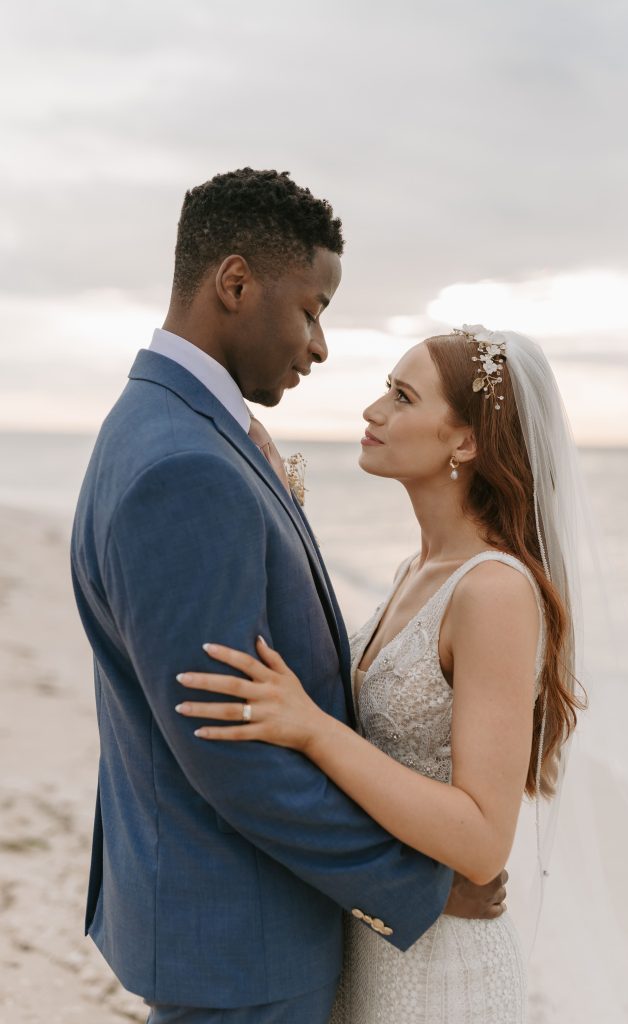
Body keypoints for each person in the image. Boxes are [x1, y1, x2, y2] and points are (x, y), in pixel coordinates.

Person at [70, 171, 508, 1024]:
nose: (319, 345)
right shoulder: (188, 466)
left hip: (227, 928)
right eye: (312, 309)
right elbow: (230, 746)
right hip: (244, 946)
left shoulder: (175, 430)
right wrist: (414, 886)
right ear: (235, 284)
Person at [174, 324, 587, 1023]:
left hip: (443, 972)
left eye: (402, 397)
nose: (373, 411)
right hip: (372, 939)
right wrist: (274, 500)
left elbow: (484, 843)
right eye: (384, 390)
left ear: (465, 442)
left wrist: (312, 731)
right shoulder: (415, 572)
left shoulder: (493, 592)